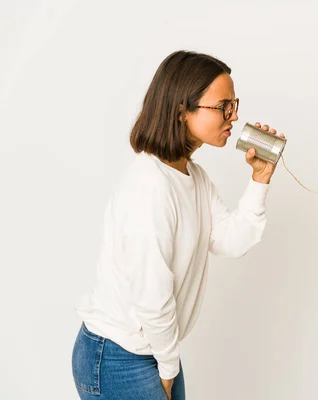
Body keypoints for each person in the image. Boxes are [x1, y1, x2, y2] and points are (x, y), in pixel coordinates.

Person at [71, 50, 283, 399]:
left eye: (235, 104)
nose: (234, 115)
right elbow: (151, 295)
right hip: (117, 355)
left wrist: (260, 178)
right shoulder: (149, 186)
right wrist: (168, 366)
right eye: (223, 106)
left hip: (153, 348)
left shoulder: (193, 176)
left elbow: (231, 240)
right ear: (181, 110)